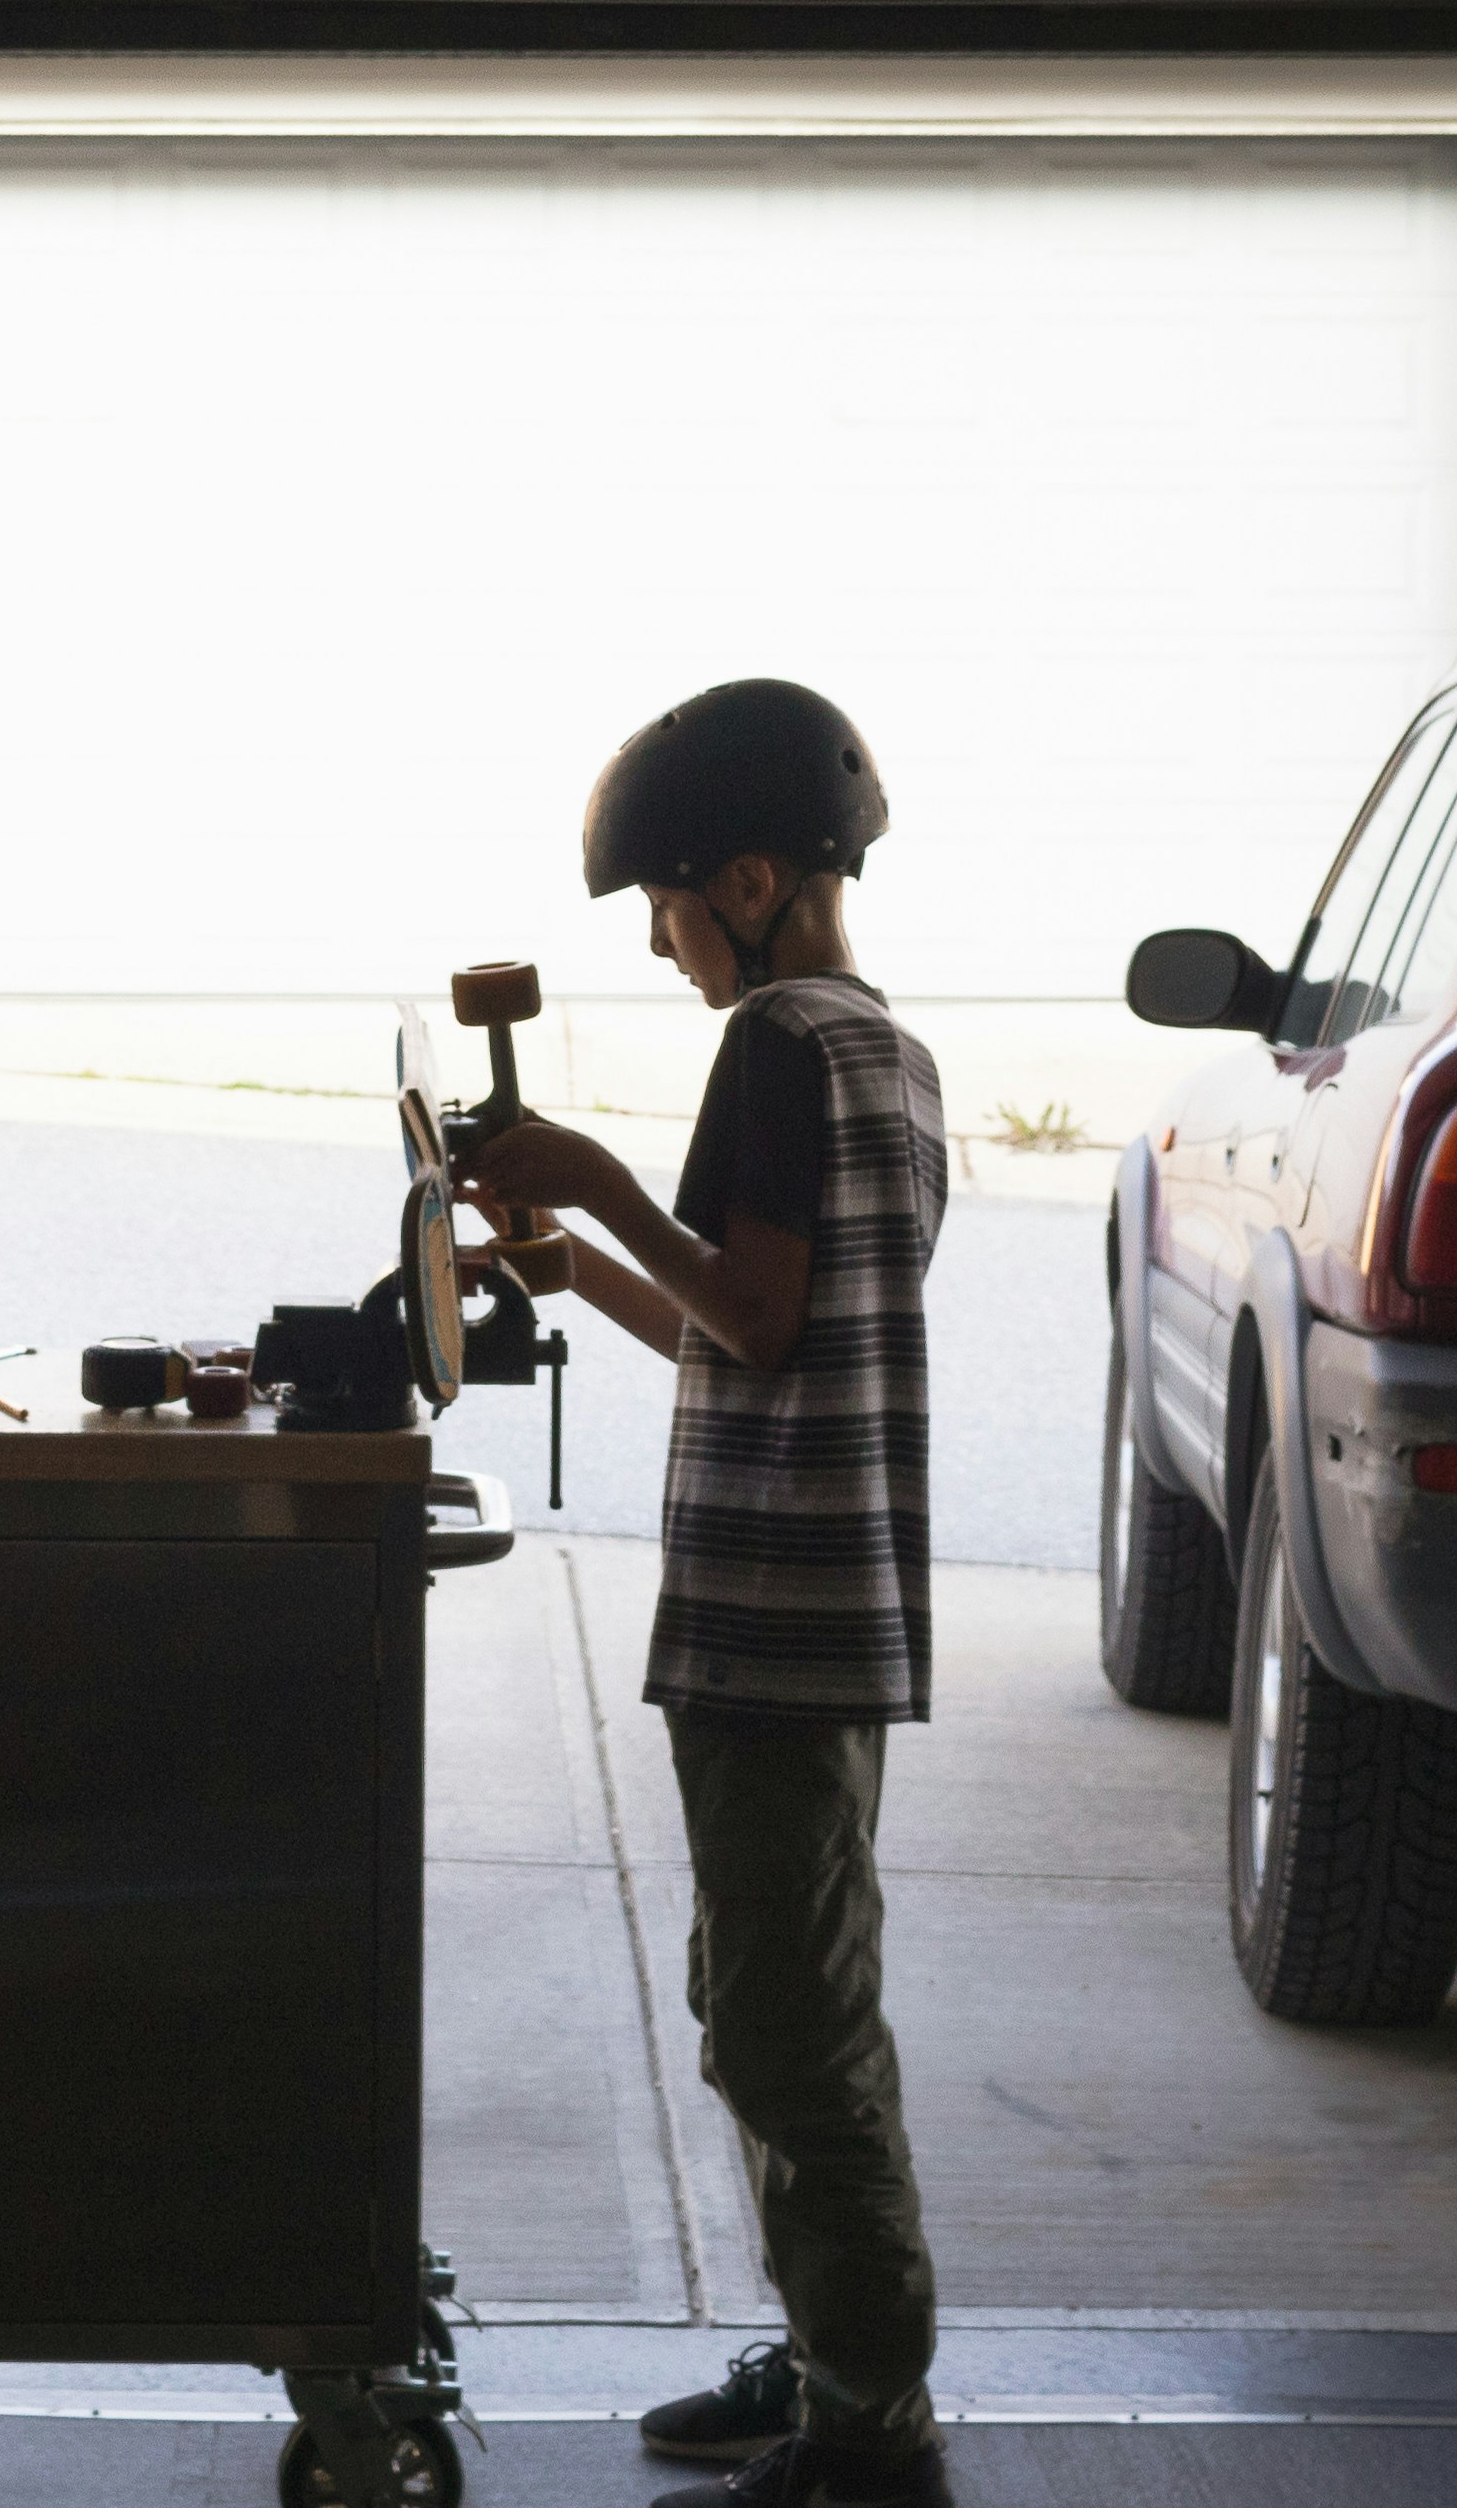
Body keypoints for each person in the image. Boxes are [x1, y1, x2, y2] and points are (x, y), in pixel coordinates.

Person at [457, 679, 953, 2508]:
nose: (662, 947)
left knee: (784, 2021)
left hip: (778, 1612)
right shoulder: (881, 1050)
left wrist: (584, 1164)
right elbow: (744, 1328)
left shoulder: (775, 1046)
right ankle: (823, 2348)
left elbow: (749, 1313)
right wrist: (580, 1256)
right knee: (775, 1986)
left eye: (663, 908)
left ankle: (869, 2426)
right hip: (826, 1605)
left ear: (747, 877)